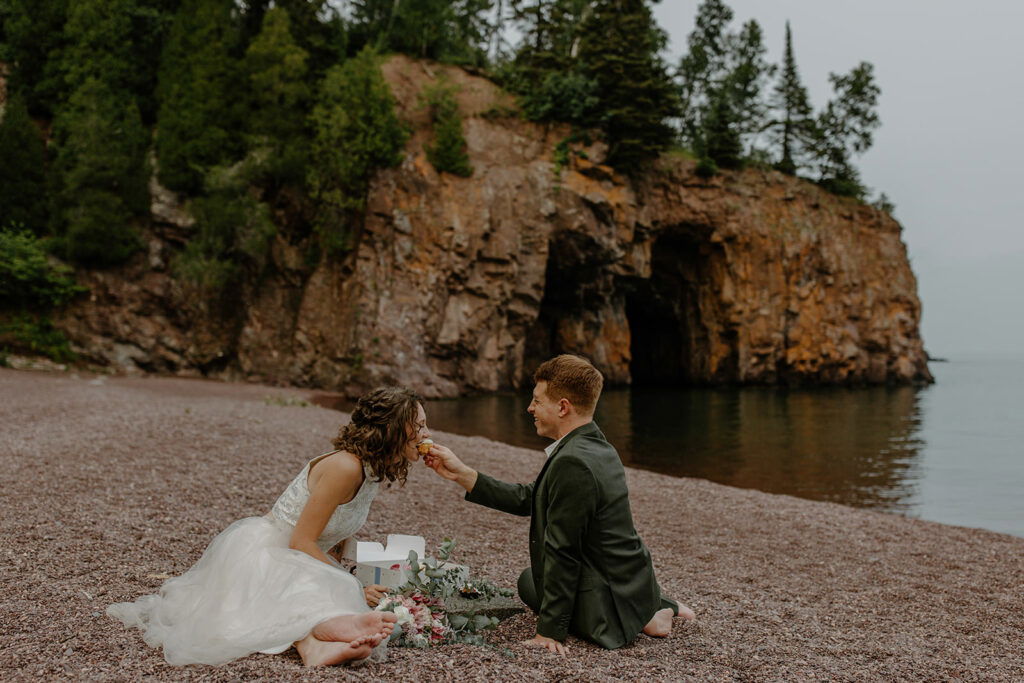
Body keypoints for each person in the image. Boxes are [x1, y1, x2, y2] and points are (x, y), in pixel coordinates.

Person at [107, 386, 433, 667]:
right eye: (418, 427)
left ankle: (315, 647)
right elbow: (301, 542)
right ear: (391, 430)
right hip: (269, 553)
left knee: (330, 589)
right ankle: (323, 632)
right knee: (330, 590)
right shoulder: (344, 467)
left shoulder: (371, 470)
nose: (426, 435)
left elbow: (335, 535)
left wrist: (353, 575)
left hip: (301, 555)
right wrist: (351, 583)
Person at [424, 354, 695, 654]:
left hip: (612, 594)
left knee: (530, 583)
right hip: (632, 578)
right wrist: (463, 474)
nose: (530, 408)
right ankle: (654, 603)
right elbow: (532, 496)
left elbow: (563, 551)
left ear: (563, 406)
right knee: (532, 579)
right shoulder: (597, 445)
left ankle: (647, 617)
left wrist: (550, 633)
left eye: (537, 401)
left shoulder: (573, 462)